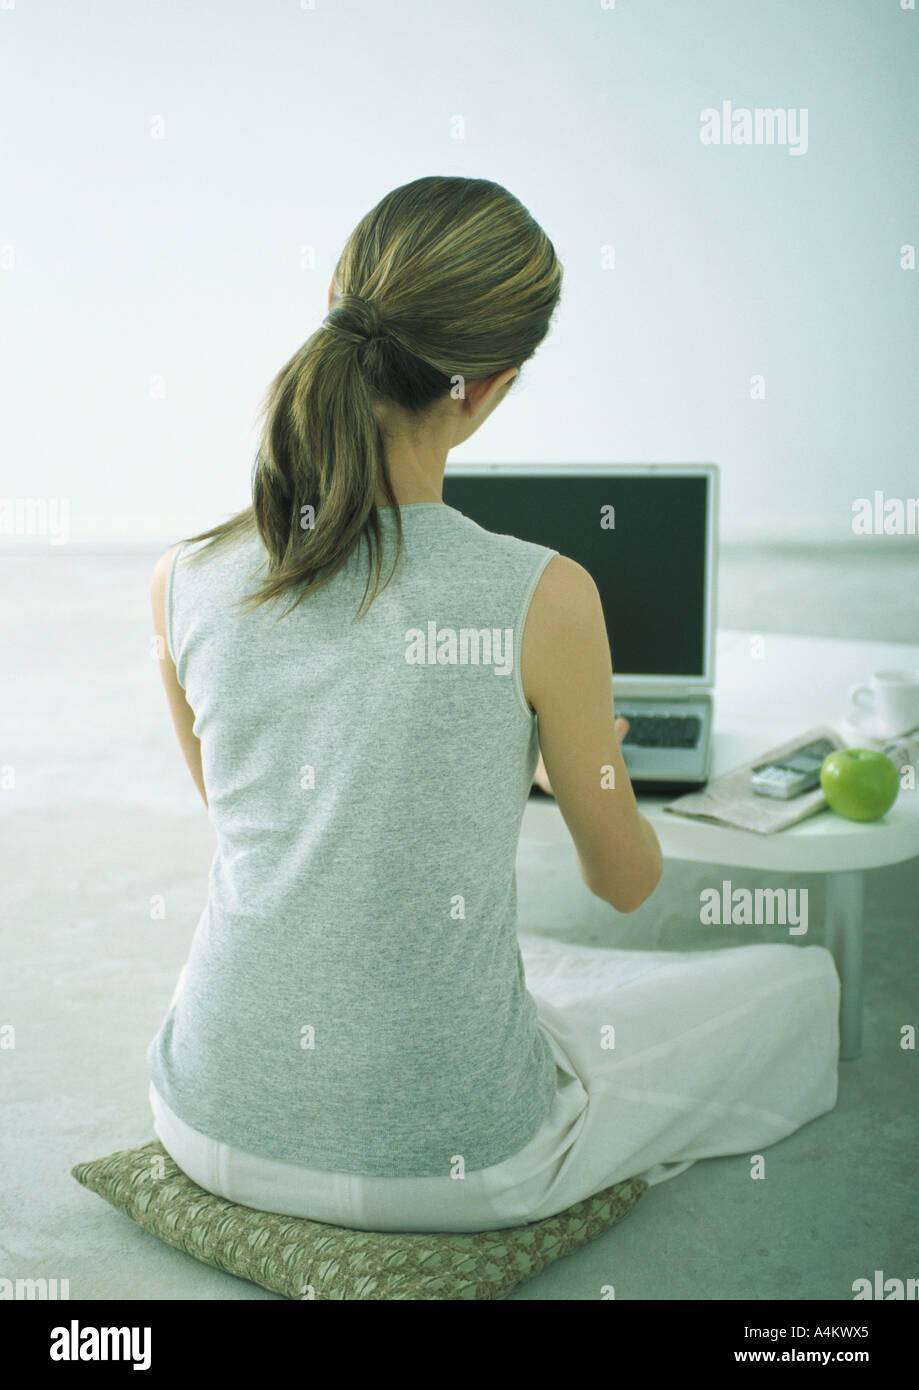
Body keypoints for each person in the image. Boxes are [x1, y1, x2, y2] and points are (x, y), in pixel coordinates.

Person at [146, 175, 840, 1234]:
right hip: (457, 1167)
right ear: (490, 384)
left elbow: (254, 815)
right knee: (791, 987)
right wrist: (574, 768)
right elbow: (624, 881)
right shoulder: (545, 597)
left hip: (200, 1118)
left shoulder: (183, 577)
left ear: (338, 293)